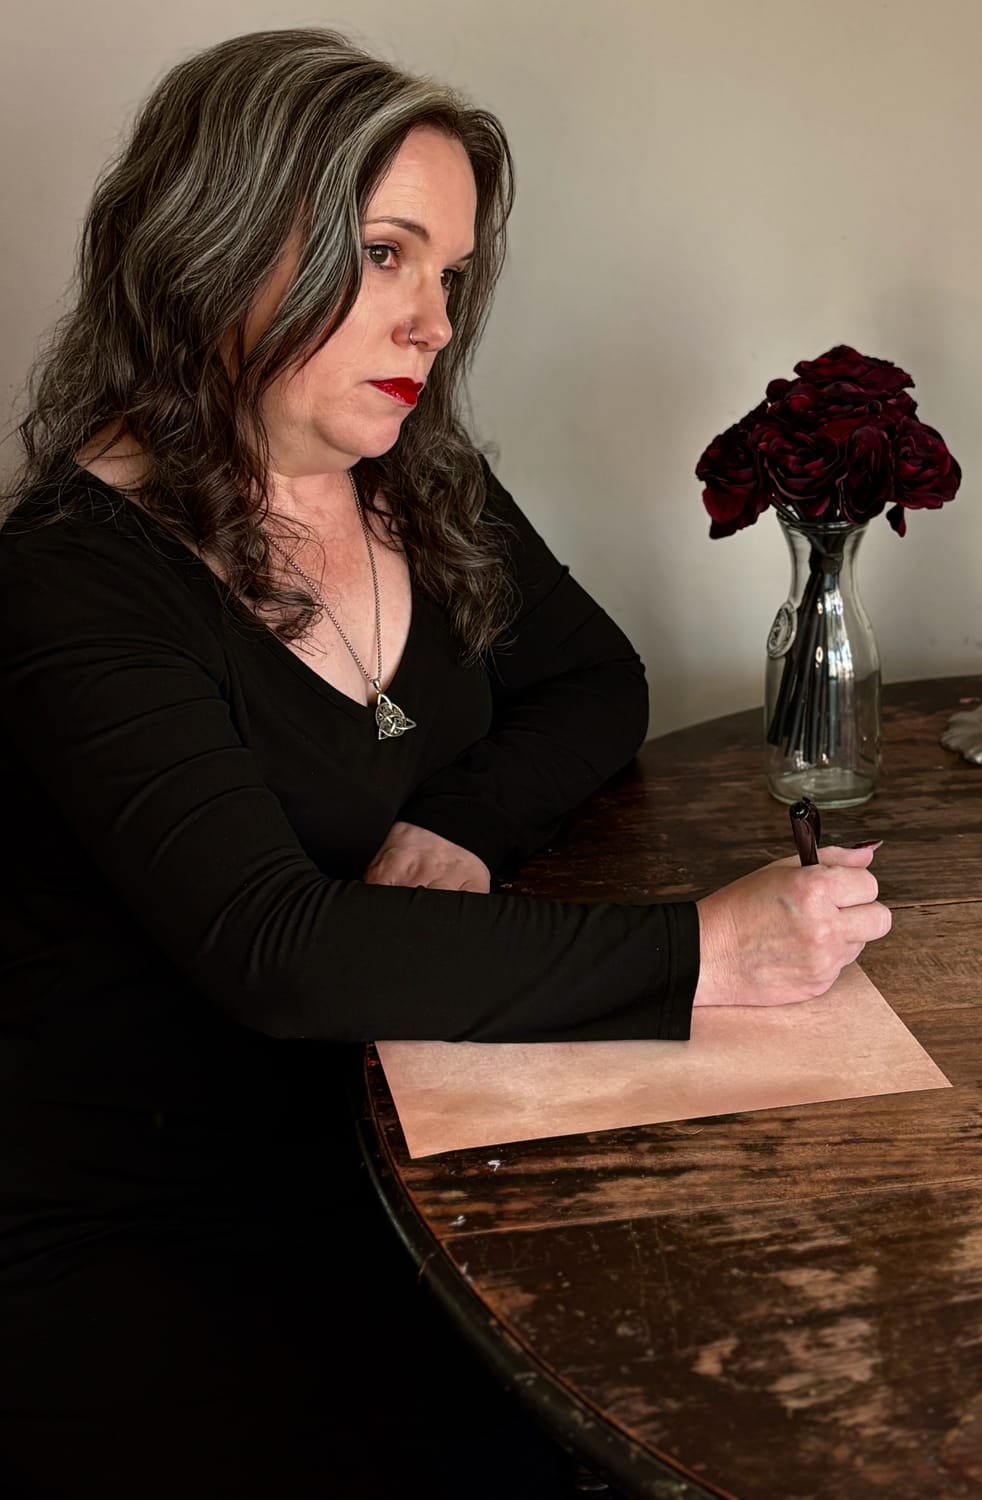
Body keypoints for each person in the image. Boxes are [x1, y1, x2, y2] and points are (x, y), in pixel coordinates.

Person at [0, 28, 891, 1499]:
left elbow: (592, 681)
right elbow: (278, 951)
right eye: (382, 252)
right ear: (212, 239)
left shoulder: (414, 472)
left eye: (450, 273)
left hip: (412, 1131)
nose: (431, 323)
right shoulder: (68, 581)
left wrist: (465, 832)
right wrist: (701, 956)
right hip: (157, 1208)